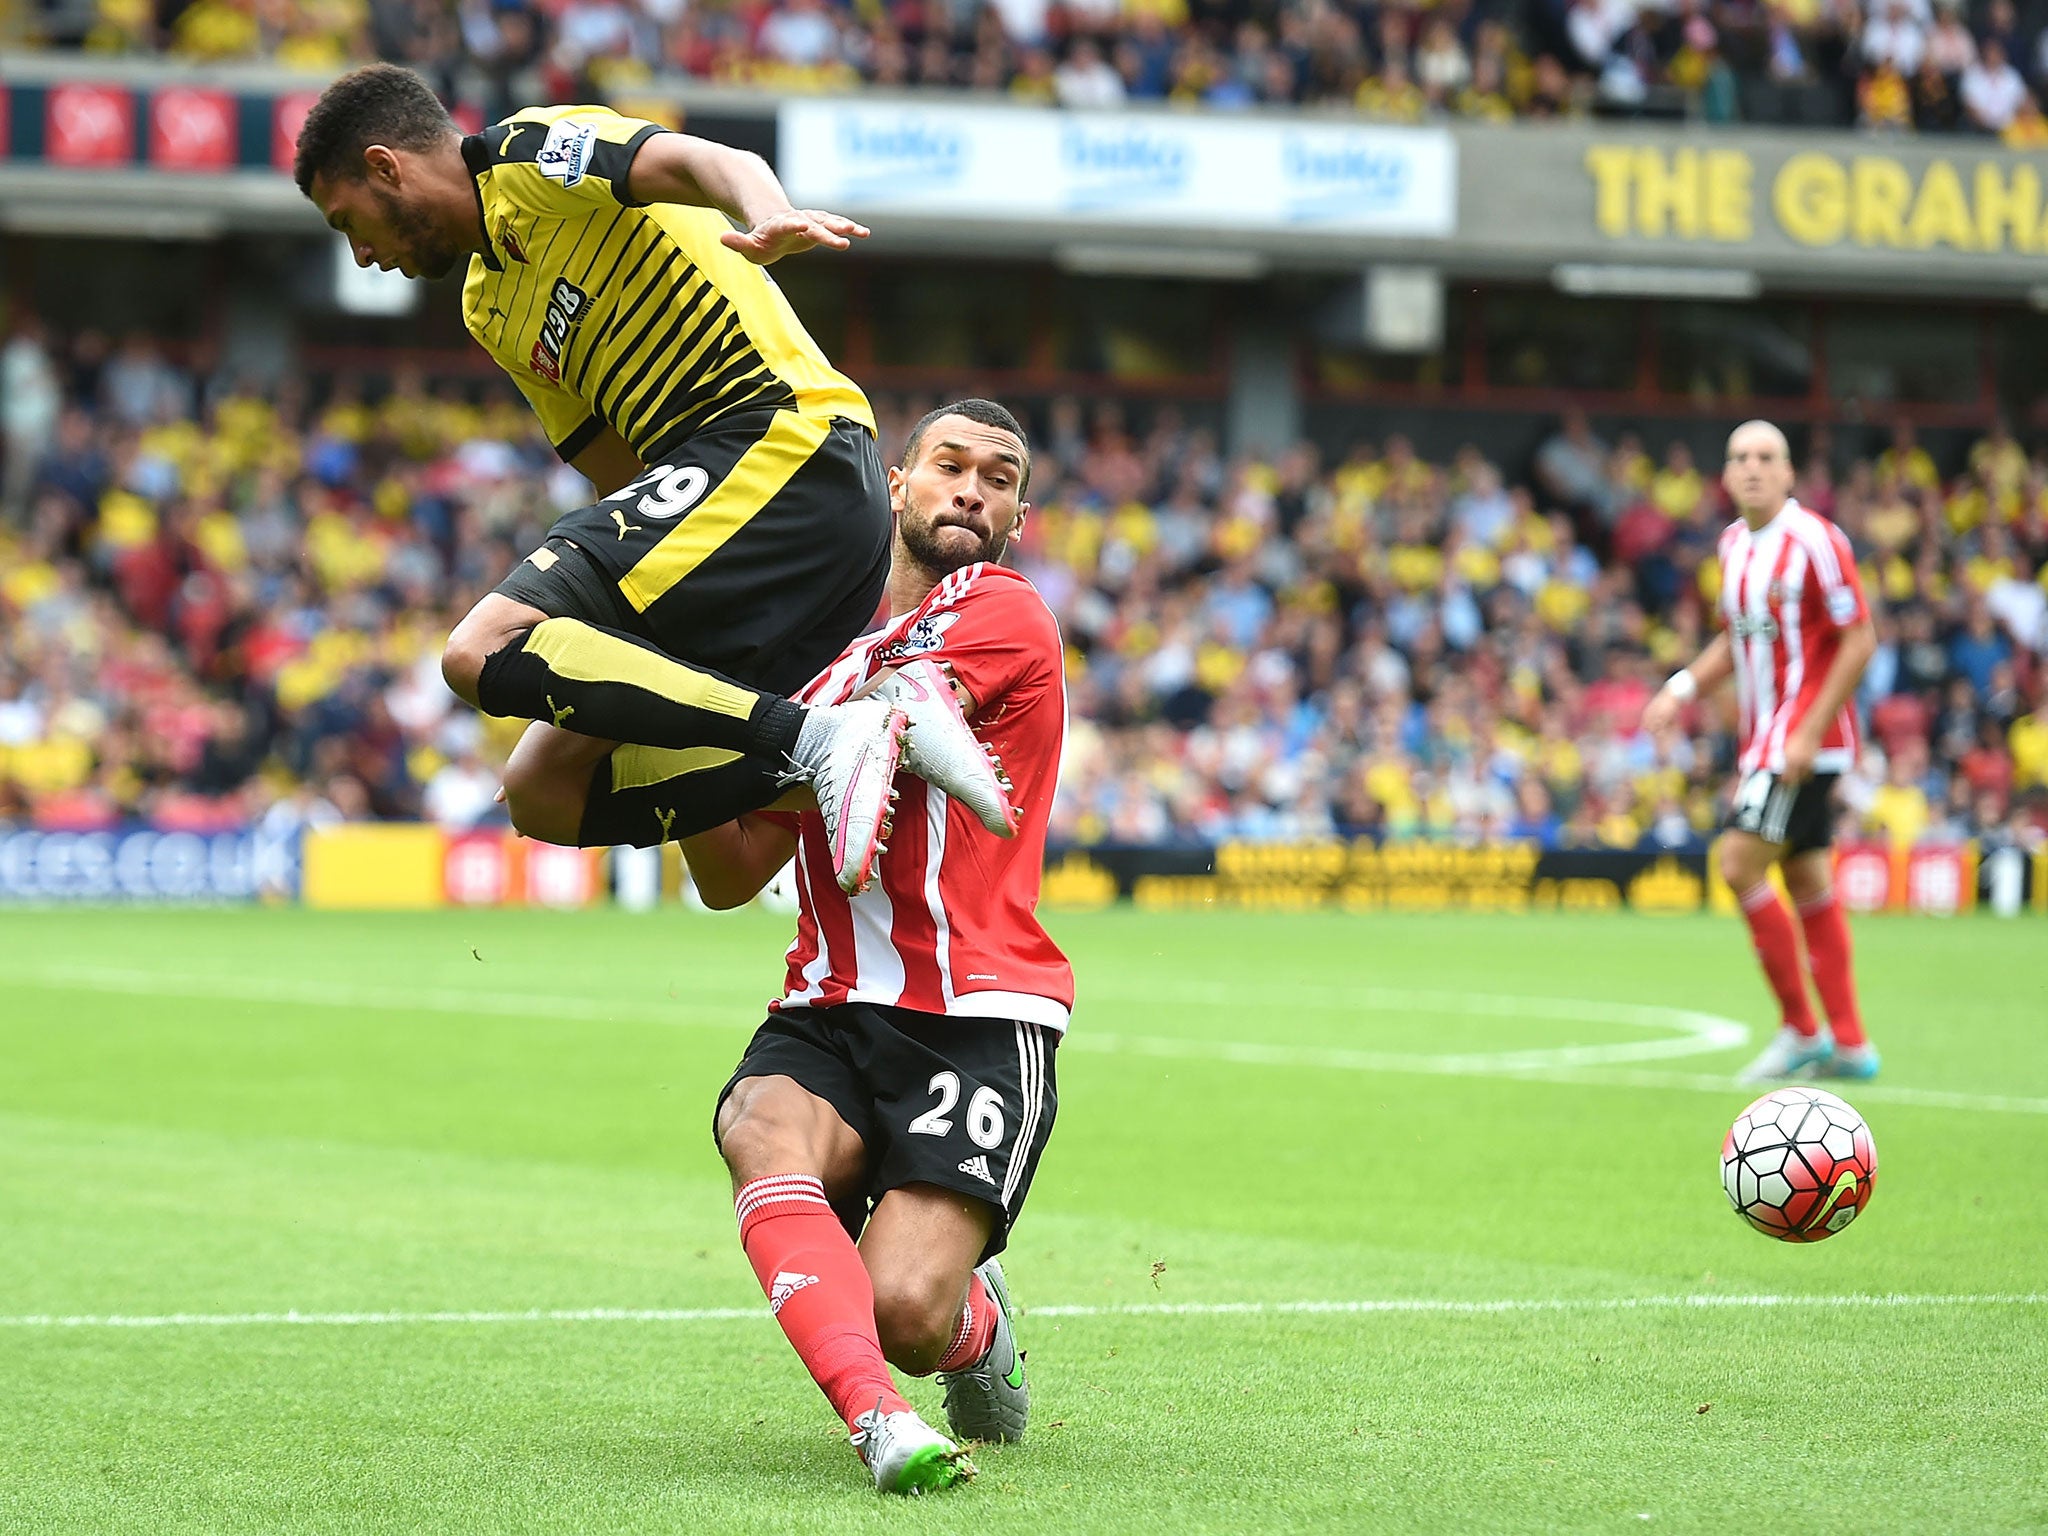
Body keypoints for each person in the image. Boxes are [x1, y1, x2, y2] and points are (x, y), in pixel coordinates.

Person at [291, 65, 1011, 892]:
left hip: (783, 441)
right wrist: (614, 672)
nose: (363, 255)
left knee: (478, 651)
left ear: (387, 167)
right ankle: (875, 730)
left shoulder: (527, 156)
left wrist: (767, 212)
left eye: (351, 224)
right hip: (732, 514)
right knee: (555, 800)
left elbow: (705, 159)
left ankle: (819, 738)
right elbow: (615, 468)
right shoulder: (487, 308)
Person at [682, 401, 1070, 1495]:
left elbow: (895, 701)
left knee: (906, 1309)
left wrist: (697, 691)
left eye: (997, 480)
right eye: (948, 466)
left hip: (980, 1013)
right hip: (828, 1002)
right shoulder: (807, 643)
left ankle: (972, 1326)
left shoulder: (1004, 614)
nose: (970, 490)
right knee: (756, 1125)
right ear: (895, 485)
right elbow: (725, 875)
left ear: (1016, 518)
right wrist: (685, 762)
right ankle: (880, 1422)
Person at [1643, 421, 1881, 1082]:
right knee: (1806, 878)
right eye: (1740, 457)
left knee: (1737, 861)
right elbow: (1735, 639)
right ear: (1724, 476)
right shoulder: (1730, 547)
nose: (1751, 467)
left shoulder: (1817, 541)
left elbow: (1859, 639)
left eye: (1766, 457)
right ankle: (1853, 1044)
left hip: (1802, 743)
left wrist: (1807, 730)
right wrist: (1681, 687)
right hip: (1765, 740)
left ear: (1788, 473)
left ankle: (1802, 1031)